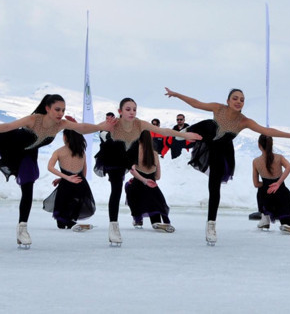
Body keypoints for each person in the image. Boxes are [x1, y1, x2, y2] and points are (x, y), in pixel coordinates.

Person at [165, 87, 290, 246]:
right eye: (235, 98)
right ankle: (187, 132)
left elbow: (266, 130)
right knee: (210, 124)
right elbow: (196, 104)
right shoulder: (218, 108)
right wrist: (176, 95)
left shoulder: (244, 121)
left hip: (220, 152)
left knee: (214, 187)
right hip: (208, 135)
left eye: (242, 100)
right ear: (228, 101)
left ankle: (211, 224)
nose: (239, 102)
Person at [0, 94, 105, 248]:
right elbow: (7, 126)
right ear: (47, 109)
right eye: (57, 109)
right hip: (13, 144)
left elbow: (81, 128)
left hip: (28, 154)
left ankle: (22, 228)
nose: (61, 113)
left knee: (28, 189)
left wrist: (102, 127)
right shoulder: (33, 119)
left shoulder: (61, 124)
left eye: (63, 110)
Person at [93, 97, 201, 246]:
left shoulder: (139, 124)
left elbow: (162, 130)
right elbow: (89, 128)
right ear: (120, 111)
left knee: (125, 184)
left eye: (134, 109)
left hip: (128, 154)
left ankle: (144, 218)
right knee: (116, 190)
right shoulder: (114, 123)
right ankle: (113, 226)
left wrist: (185, 135)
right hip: (113, 154)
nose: (132, 112)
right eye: (128, 109)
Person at [43, 129, 96, 231]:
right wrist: (67, 179)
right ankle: (70, 221)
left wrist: (65, 177)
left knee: (61, 220)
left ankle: (68, 222)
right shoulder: (81, 152)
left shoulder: (58, 152)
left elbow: (50, 167)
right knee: (74, 205)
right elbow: (83, 172)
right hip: (80, 184)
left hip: (66, 185)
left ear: (65, 137)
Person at [125, 130, 175, 233]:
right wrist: (150, 178)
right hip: (152, 185)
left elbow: (132, 170)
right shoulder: (155, 153)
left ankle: (138, 220)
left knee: (129, 187)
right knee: (155, 199)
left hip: (138, 184)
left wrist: (142, 179)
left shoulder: (135, 150)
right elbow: (158, 176)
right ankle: (159, 221)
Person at [252, 135, 290, 235]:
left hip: (266, 196)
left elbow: (256, 184)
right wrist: (278, 183)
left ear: (259, 145)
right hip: (281, 194)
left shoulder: (256, 161)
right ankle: (286, 225)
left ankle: (265, 219)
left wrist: (266, 184)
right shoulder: (279, 158)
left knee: (261, 190)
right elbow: (289, 167)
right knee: (285, 216)